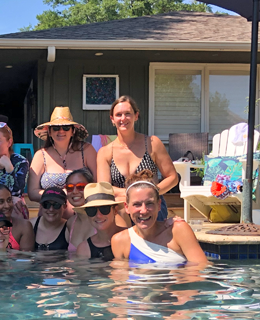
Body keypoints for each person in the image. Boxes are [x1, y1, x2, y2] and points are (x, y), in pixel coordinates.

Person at [97, 95, 178, 226]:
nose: (123, 118)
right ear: (112, 119)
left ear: (136, 116)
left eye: (128, 114)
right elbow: (104, 188)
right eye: (118, 115)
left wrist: (151, 192)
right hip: (121, 209)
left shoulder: (152, 143)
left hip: (151, 207)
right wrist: (133, 195)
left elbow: (172, 177)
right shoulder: (105, 152)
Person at [111, 171, 208, 264]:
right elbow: (121, 278)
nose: (144, 210)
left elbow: (200, 269)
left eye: (149, 203)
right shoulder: (120, 241)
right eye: (137, 204)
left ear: (159, 205)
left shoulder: (178, 230)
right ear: (127, 207)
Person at [28, 106, 97, 202]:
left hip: (84, 210)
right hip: (51, 211)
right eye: (56, 128)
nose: (61, 131)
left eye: (66, 127)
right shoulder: (40, 155)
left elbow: (98, 183)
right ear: (49, 132)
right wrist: (57, 196)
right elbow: (32, 192)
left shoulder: (87, 150)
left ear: (73, 131)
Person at [74, 182, 125, 260]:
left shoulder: (132, 237)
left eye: (104, 208)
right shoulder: (84, 249)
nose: (98, 215)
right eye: (91, 210)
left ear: (115, 210)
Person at [65, 169, 97, 251]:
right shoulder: (70, 223)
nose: (74, 192)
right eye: (70, 188)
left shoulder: (105, 219)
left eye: (81, 187)